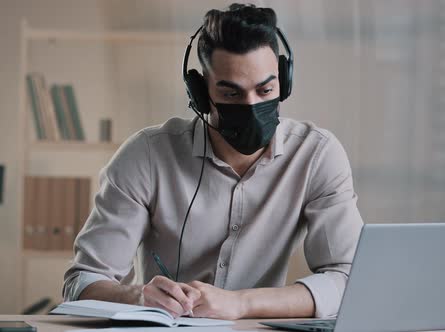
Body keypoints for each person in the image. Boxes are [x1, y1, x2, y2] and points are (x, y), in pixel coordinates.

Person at [62, 3, 363, 320]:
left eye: (265, 90)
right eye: (232, 94)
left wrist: (242, 303)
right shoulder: (146, 155)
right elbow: (82, 282)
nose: (251, 105)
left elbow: (349, 280)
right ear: (201, 93)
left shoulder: (317, 155)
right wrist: (139, 295)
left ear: (283, 84)